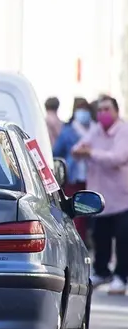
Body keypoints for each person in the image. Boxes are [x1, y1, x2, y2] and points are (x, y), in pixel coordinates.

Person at [72, 95, 128, 295]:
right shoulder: (96, 130)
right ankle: (102, 271)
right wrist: (82, 151)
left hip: (122, 197)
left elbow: (118, 158)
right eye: (100, 110)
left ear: (116, 111)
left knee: (122, 238)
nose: (103, 113)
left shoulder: (123, 131)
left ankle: (122, 276)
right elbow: (77, 148)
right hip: (100, 196)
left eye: (107, 109)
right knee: (100, 236)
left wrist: (92, 153)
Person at [52, 97, 93, 243]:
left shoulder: (95, 129)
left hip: (92, 179)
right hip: (73, 178)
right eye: (80, 109)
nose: (83, 113)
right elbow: (56, 151)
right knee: (77, 216)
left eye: (85, 109)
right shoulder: (68, 131)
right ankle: (76, 243)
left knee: (91, 214)